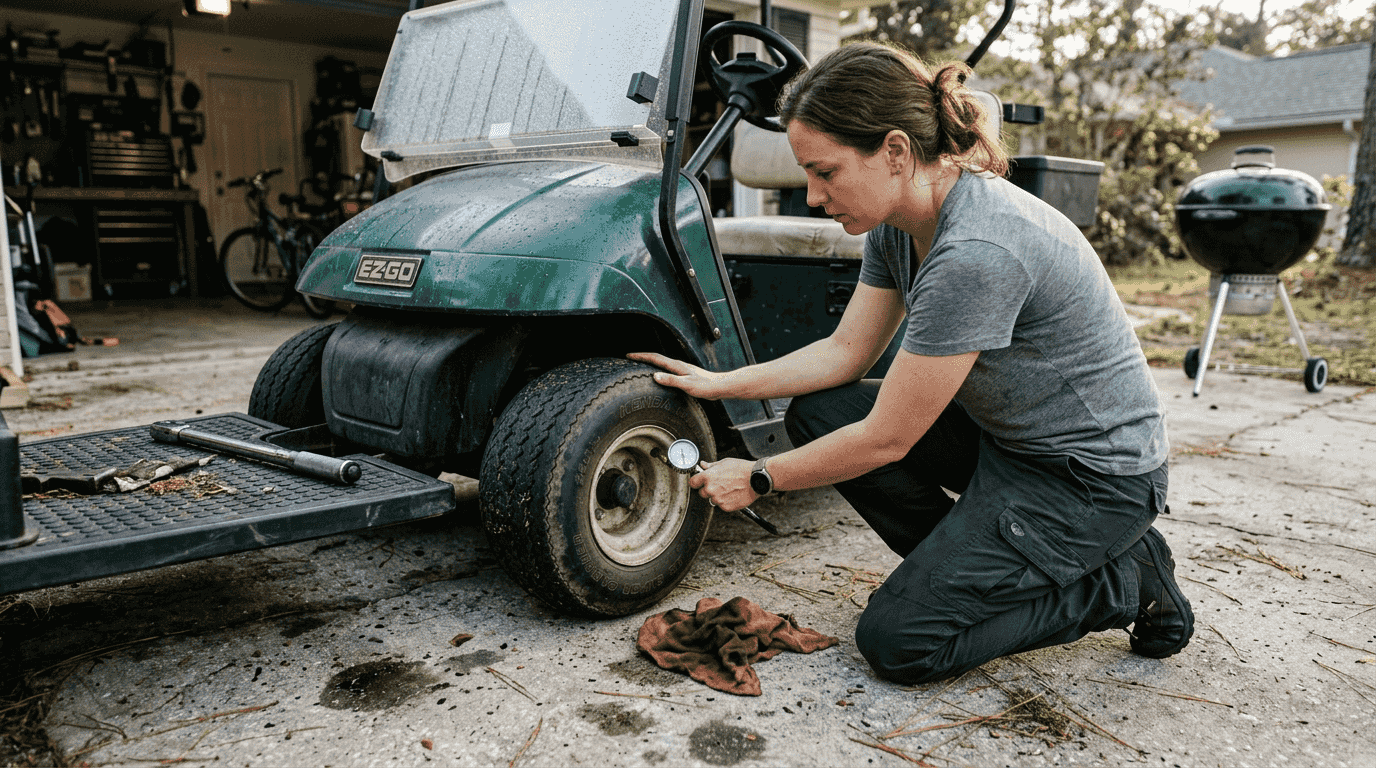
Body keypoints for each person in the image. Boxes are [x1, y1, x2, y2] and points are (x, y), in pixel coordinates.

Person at [628, 41, 1193, 685]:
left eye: (826, 172)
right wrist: (721, 383)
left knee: (901, 643)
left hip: (1092, 479)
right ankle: (984, 571)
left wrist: (759, 477)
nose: (812, 195)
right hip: (1010, 442)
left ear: (895, 151)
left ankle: (1125, 581)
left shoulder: (976, 251)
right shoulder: (898, 224)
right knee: (820, 413)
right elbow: (845, 353)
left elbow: (886, 439)